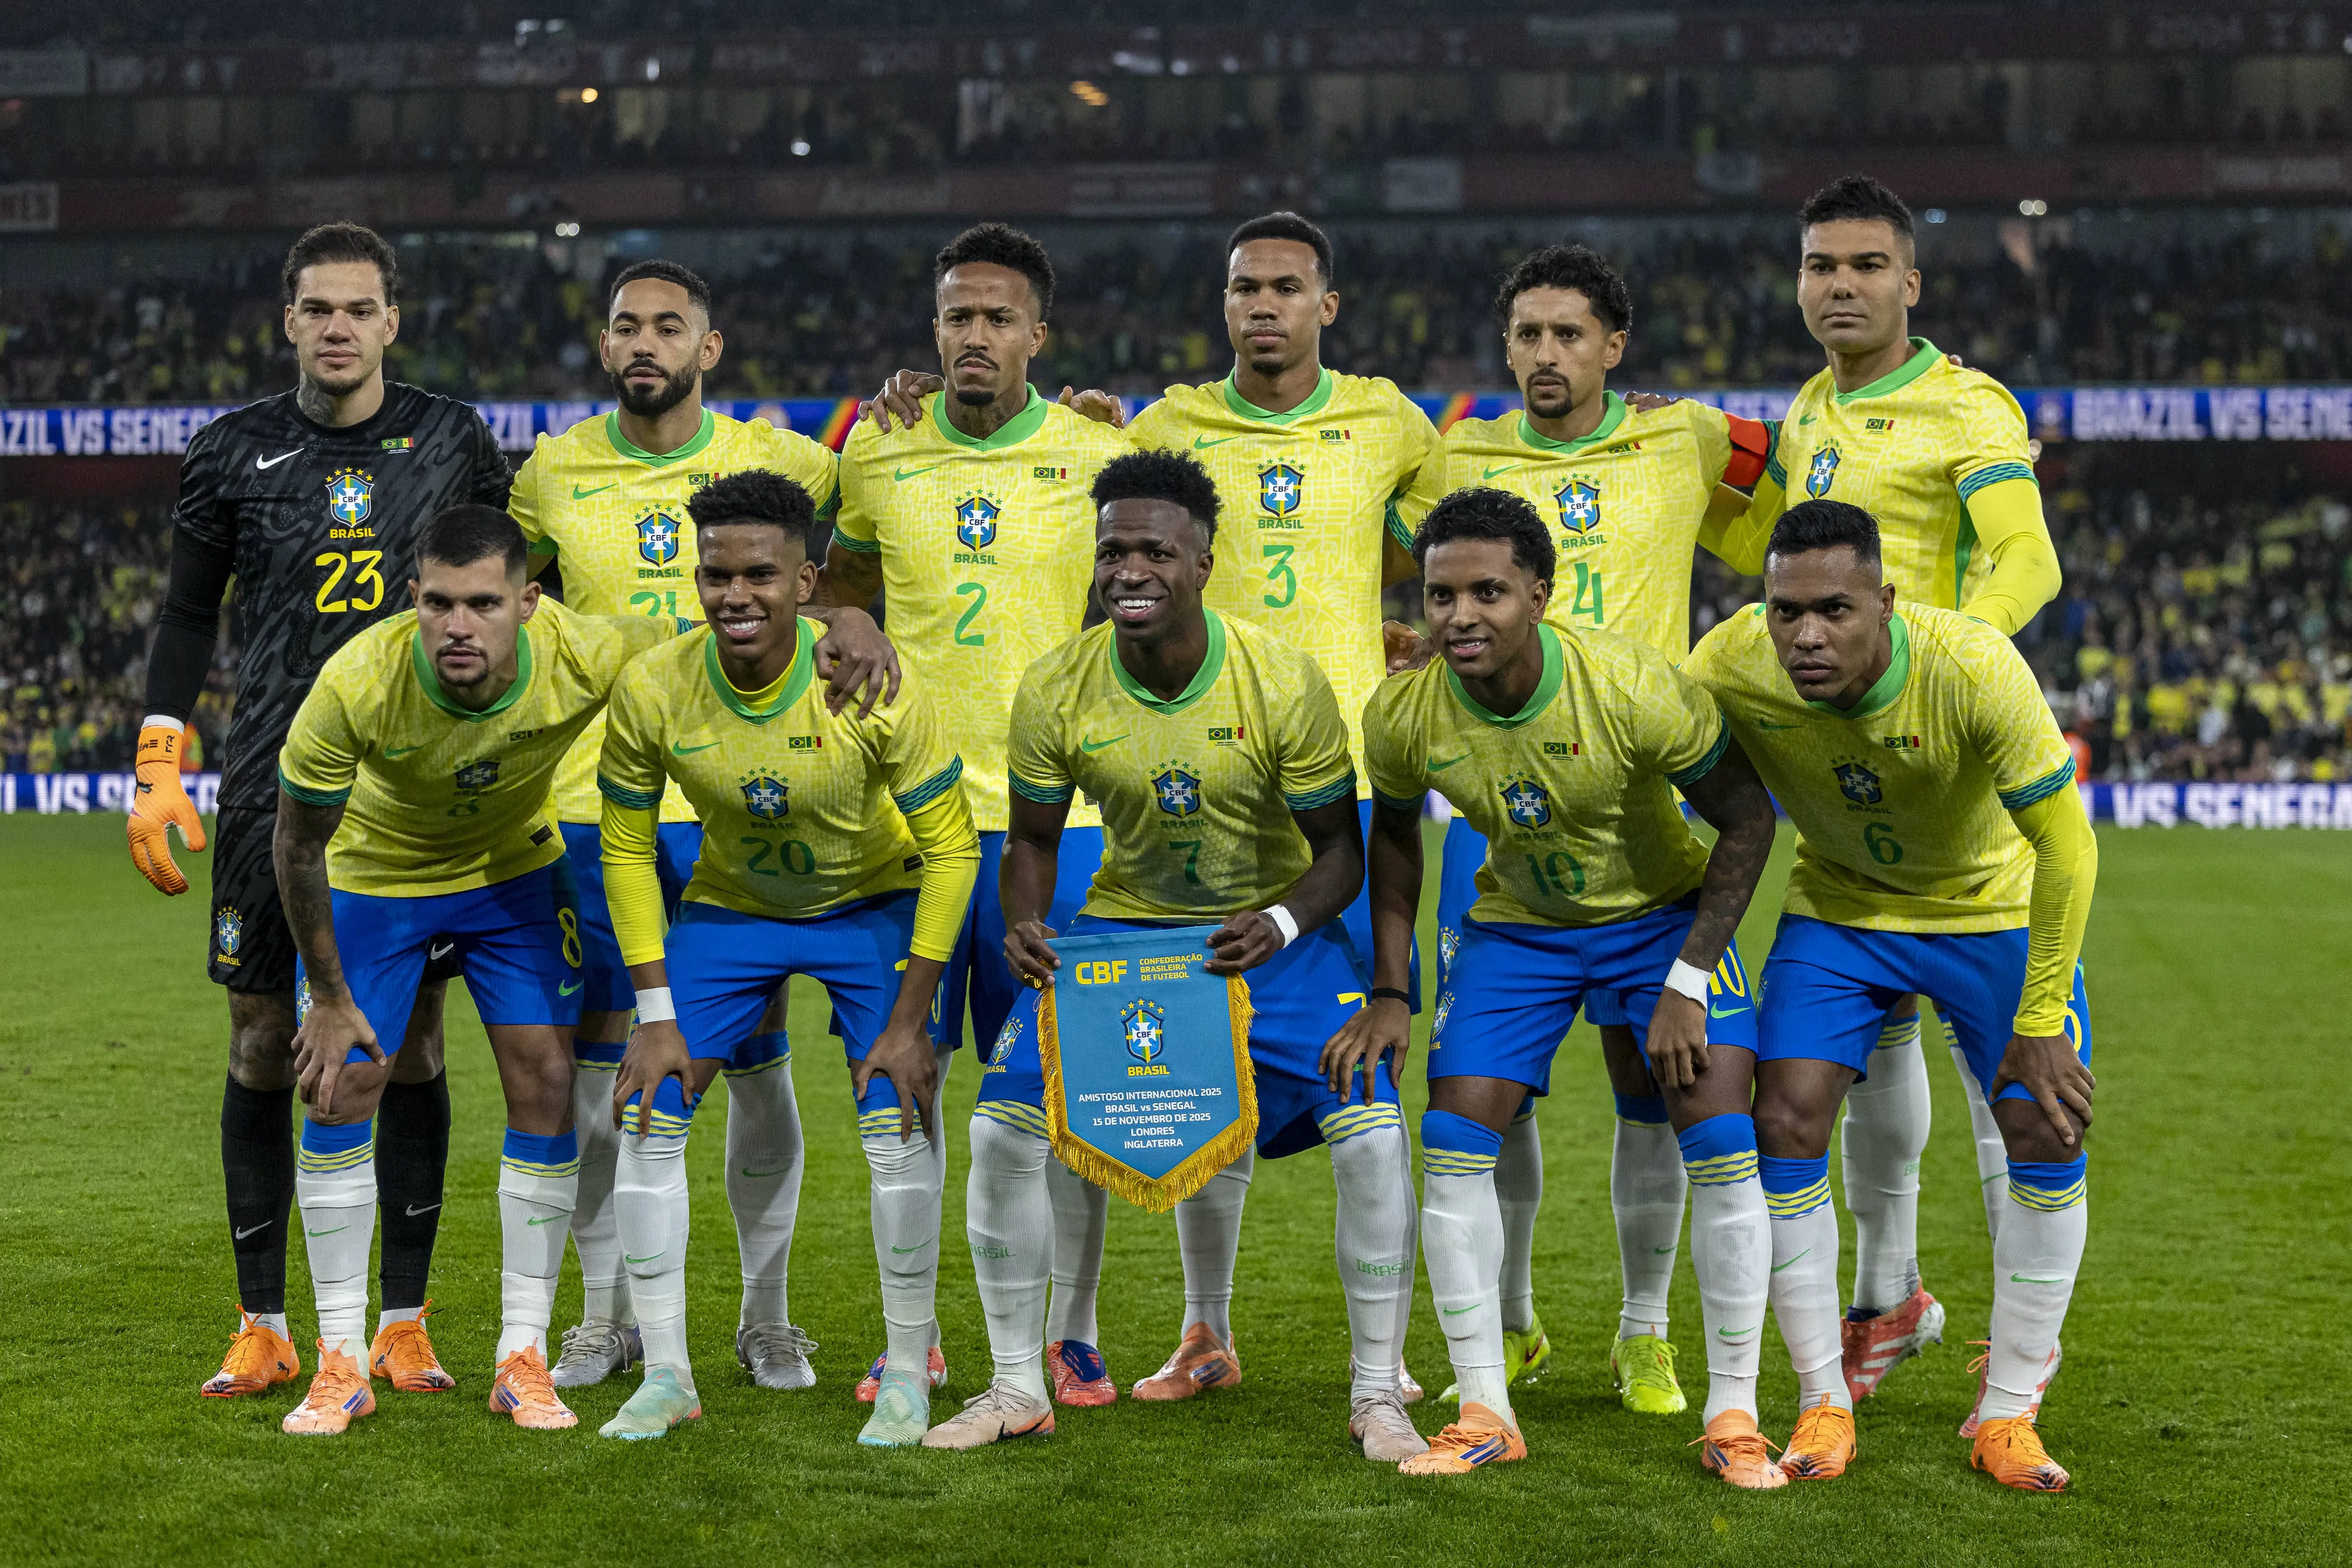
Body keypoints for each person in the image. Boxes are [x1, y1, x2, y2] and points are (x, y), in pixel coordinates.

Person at [860, 211, 1438, 1405]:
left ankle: (1321, 1355)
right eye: (1244, 287)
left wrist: (1430, 630)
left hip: (1286, 793)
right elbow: (847, 566)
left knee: (1255, 1082)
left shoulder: (1390, 421)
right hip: (1036, 805)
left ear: (1326, 305)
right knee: (1000, 1088)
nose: (1263, 305)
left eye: (1286, 287)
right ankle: (986, 1337)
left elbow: (1467, 533)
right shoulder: (1144, 428)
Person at [928, 450, 1420, 1463]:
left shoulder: (1279, 678)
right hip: (1121, 936)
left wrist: (1280, 922)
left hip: (1267, 937)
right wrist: (1026, 919)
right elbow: (1031, 840)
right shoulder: (1058, 684)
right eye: (1113, 551)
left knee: (1372, 1132)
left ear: (1203, 563)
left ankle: (1378, 1391)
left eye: (1155, 551)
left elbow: (1341, 853)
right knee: (999, 1132)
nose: (1130, 570)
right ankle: (1017, 1386)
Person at [128, 222, 512, 1404]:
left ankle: (403, 1322)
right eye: (317, 309)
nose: (337, 327)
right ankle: (263, 1324)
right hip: (268, 779)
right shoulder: (229, 449)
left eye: (358, 308)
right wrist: (158, 752)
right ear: (288, 320)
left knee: (412, 1044)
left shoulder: (454, 439)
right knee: (258, 1037)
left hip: (412, 784)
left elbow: (517, 587)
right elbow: (188, 614)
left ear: (393, 319)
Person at [1330, 487, 1780, 1480]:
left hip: (1659, 920)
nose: (1460, 617)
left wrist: (1688, 975)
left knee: (1722, 1142)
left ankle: (1735, 1414)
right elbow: (1394, 840)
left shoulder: (1630, 686)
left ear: (1539, 594)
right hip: (1519, 929)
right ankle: (1486, 1408)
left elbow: (1748, 818)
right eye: (1440, 595)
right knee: (1453, 1144)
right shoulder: (1403, 712)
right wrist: (1392, 990)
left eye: (1487, 593)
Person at [1393, 243, 1771, 1414]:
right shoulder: (1455, 453)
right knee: (1487, 1089)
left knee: (1650, 1081)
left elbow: (1799, 479)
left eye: (1570, 334)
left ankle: (1644, 1331)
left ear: (1616, 346)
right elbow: (1378, 553)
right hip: (1500, 806)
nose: (1547, 354)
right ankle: (1511, 1324)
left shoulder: (1689, 435)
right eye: (1528, 335)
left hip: (1647, 789)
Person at [1711, 175, 2066, 1403]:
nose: (1841, 285)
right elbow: (1754, 547)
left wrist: (1960, 662)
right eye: (1821, 265)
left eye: (1867, 265)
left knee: (1996, 1083)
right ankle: (1890, 1294)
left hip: (1948, 761)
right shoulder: (1810, 409)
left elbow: (2028, 555)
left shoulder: (1967, 403)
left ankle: (2000, 1350)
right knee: (1877, 1041)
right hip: (1842, 773)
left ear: (1911, 282)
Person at [509, 258, 889, 1395]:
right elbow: (504, 606)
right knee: (605, 1073)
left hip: (744, 806)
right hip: (595, 810)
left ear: (708, 348)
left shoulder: (787, 462)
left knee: (760, 1065)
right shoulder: (552, 471)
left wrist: (855, 610)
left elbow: (871, 539)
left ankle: (766, 1318)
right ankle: (606, 1318)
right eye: (627, 325)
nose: (646, 343)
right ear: (604, 344)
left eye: (669, 326)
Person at [1684, 498, 2096, 1490]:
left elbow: (2068, 845)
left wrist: (2043, 1019)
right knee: (1783, 1120)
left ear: (1886, 603)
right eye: (1786, 611)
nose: (1806, 636)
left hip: (1988, 908)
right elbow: (1641, 726)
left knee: (2044, 1127)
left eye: (1834, 609)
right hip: (1843, 910)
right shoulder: (1731, 659)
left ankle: (2009, 1412)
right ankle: (1823, 1400)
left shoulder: (1970, 666)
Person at [269, 504, 678, 1435]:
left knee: (546, 1078)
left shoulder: (583, 653)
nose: (459, 626)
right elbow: (296, 847)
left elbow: (706, 647)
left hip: (511, 872)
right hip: (376, 877)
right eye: (440, 603)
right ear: (413, 597)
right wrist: (327, 996)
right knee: (340, 1083)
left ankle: (521, 1357)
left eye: (485, 604)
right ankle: (340, 1362)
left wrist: (841, 624)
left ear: (528, 604)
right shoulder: (358, 683)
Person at [811, 222, 1132, 1403]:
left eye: (999, 317)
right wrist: (848, 620)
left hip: (1061, 822)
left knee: (1061, 1096)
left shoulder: (1100, 451)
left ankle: (1070, 1330)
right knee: (902, 1078)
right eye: (958, 316)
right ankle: (917, 1334)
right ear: (934, 329)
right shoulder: (878, 447)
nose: (976, 335)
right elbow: (834, 587)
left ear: (1039, 334)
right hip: (908, 822)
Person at [593, 469, 978, 1445]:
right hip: (734, 909)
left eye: (760, 575)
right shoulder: (655, 686)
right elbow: (627, 849)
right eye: (716, 575)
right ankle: (668, 1376)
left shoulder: (868, 682)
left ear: (806, 584)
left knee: (897, 1116)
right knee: (648, 1110)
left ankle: (907, 1372)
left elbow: (953, 851)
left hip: (870, 902)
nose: (736, 596)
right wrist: (653, 1016)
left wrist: (910, 1024)